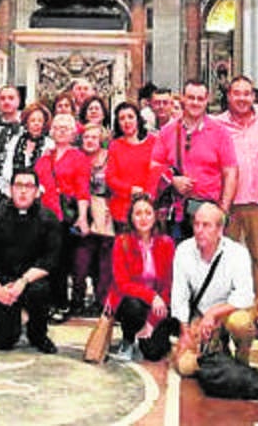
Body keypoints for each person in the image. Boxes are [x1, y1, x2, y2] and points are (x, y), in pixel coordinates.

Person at [216, 74, 258, 339]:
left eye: (247, 93)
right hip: (227, 202)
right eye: (237, 93)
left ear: (253, 96)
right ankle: (226, 310)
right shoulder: (217, 124)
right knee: (225, 260)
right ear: (229, 95)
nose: (242, 98)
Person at [0, 169, 63, 353]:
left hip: (31, 281)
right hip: (1, 282)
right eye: (19, 186)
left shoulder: (48, 219)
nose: (23, 191)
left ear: (37, 191)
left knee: (41, 290)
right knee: (4, 341)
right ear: (10, 189)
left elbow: (50, 260)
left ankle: (38, 333)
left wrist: (23, 282)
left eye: (29, 186)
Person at [170, 202, 256, 377]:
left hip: (229, 311)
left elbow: (245, 295)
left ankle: (241, 362)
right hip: (199, 316)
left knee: (241, 323)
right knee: (184, 367)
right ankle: (217, 356)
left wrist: (214, 313)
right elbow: (179, 296)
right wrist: (185, 331)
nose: (199, 230)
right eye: (196, 224)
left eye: (206, 225)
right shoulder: (184, 250)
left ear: (220, 229)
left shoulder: (237, 253)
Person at [151, 80, 238, 239]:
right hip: (177, 213)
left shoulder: (220, 133)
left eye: (200, 99)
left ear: (207, 100)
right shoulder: (167, 132)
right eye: (191, 98)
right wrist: (173, 180)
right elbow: (154, 167)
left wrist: (223, 211)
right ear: (182, 99)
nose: (195, 103)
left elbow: (230, 172)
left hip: (209, 211)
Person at [107, 194, 177, 362]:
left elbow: (170, 284)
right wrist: (151, 296)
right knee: (133, 306)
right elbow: (122, 284)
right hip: (130, 302)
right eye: (138, 213)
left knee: (153, 353)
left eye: (148, 213)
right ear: (131, 218)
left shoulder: (166, 243)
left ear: (155, 216)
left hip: (158, 304)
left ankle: (151, 332)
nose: (143, 218)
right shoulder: (121, 242)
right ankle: (128, 340)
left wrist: (152, 321)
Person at [34, 113, 91, 318]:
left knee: (61, 262)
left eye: (65, 128)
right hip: (43, 217)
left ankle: (61, 304)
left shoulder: (79, 158)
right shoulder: (43, 158)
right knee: (45, 261)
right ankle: (47, 302)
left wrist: (82, 216)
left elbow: (83, 189)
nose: (60, 131)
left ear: (74, 133)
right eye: (57, 127)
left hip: (65, 217)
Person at [105, 101, 159, 232]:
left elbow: (157, 173)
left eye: (130, 117)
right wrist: (130, 190)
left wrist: (146, 197)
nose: (126, 122)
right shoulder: (115, 146)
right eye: (122, 118)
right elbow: (110, 178)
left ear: (138, 119)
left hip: (148, 208)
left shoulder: (153, 142)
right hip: (122, 211)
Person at [80, 123, 115, 313]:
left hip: (106, 208)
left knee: (106, 257)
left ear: (101, 139)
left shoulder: (110, 157)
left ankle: (103, 300)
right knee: (84, 257)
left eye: (94, 137)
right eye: (86, 137)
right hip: (84, 209)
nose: (90, 141)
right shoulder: (78, 158)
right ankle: (81, 297)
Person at [0, 102, 51, 198]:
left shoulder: (49, 144)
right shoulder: (15, 140)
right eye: (33, 120)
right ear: (26, 122)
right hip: (14, 190)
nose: (36, 124)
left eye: (40, 121)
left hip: (39, 192)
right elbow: (7, 170)